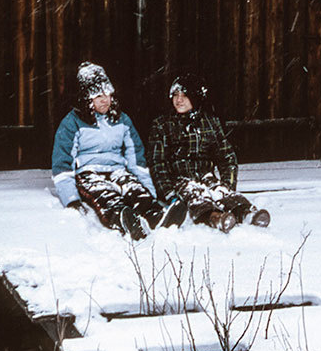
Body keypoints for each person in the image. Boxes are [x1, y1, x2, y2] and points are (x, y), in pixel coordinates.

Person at [51, 62, 184, 239]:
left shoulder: (121, 119)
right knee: (104, 194)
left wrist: (149, 190)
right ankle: (122, 218)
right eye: (98, 96)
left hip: (117, 169)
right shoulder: (72, 123)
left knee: (133, 188)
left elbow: (135, 156)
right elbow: (62, 164)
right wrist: (71, 199)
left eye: (108, 93)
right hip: (88, 172)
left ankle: (155, 215)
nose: (105, 99)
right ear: (86, 98)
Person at [148, 73, 269, 230]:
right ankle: (215, 218)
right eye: (176, 95)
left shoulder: (210, 122)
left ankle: (246, 214)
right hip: (179, 180)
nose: (179, 100)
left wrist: (227, 185)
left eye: (184, 96)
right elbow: (158, 163)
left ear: (196, 98)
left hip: (205, 176)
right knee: (196, 196)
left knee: (222, 193)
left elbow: (227, 157)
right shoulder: (163, 125)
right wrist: (168, 192)